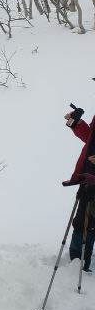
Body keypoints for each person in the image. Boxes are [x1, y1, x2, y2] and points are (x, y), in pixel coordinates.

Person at [63, 106, 95, 268]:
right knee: (82, 221)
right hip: (88, 176)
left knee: (89, 223)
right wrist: (75, 122)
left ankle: (82, 264)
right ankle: (77, 261)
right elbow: (91, 139)